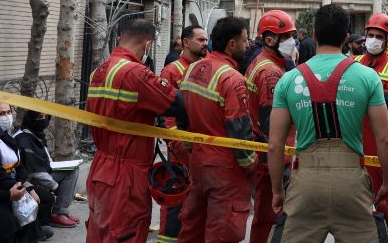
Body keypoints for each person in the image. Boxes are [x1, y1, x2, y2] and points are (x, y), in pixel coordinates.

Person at [268, 4, 388, 242]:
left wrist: (277, 191)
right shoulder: (368, 77)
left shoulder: (289, 80)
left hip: (305, 183)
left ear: (314, 35)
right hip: (352, 186)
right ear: (347, 39)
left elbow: (275, 146)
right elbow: (385, 139)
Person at [85, 18, 189, 243]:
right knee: (126, 233)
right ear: (148, 45)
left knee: (99, 233)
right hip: (126, 174)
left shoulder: (99, 71)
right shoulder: (136, 73)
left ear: (120, 38)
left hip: (100, 166)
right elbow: (177, 104)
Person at [177, 17, 258, 242]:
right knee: (222, 232)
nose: (248, 45)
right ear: (231, 44)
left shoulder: (191, 68)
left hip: (198, 162)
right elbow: (239, 130)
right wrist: (250, 164)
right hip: (226, 169)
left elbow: (181, 115)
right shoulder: (232, 79)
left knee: (193, 228)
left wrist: (191, 148)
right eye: (244, 40)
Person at [245, 11, 297, 243]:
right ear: (269, 40)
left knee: (266, 216)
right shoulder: (270, 73)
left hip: (267, 154)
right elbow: (271, 123)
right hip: (273, 158)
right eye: (287, 37)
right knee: (270, 216)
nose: (292, 41)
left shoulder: (267, 64)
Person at [158, 25, 208, 243]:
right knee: (176, 198)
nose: (205, 43)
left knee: (198, 200)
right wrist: (176, 143)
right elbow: (165, 112)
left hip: (202, 146)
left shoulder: (205, 69)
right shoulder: (172, 71)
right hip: (181, 148)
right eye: (200, 40)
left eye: (206, 40)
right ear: (186, 42)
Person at [0, 101, 51, 242]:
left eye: (8, 112)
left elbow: (20, 166)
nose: (7, 117)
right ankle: (28, 232)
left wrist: (28, 187)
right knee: (19, 203)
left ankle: (33, 229)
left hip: (16, 181)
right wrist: (17, 189)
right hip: (0, 185)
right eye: (1, 114)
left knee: (44, 199)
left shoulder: (7, 137)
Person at [352, 12, 388, 192]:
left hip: (376, 133)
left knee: (376, 184)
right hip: (352, 132)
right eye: (371, 35)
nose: (374, 40)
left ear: (387, 39)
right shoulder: (353, 61)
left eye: (379, 37)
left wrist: (358, 93)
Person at [14, 110, 81, 234]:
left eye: (45, 117)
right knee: (67, 176)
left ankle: (62, 211)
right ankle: (58, 213)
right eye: (40, 117)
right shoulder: (24, 139)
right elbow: (33, 171)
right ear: (31, 119)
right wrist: (55, 186)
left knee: (73, 170)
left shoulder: (36, 135)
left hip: (43, 173)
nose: (43, 120)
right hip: (30, 180)